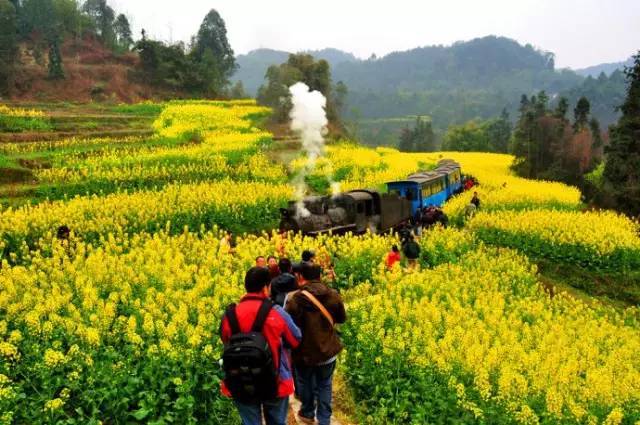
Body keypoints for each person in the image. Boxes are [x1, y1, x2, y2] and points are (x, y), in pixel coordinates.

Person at [220, 267, 302, 425]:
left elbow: (226, 340)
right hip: (275, 382)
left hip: (241, 380)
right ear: (266, 287)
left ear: (246, 287)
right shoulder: (276, 312)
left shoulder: (229, 316)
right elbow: (295, 339)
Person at [286, 263, 346, 425]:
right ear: (320, 276)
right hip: (327, 352)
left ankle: (307, 412)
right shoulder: (333, 295)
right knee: (325, 384)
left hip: (303, 353)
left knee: (305, 384)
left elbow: (288, 326)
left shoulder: (295, 300)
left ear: (300, 277)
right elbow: (341, 318)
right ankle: (324, 418)